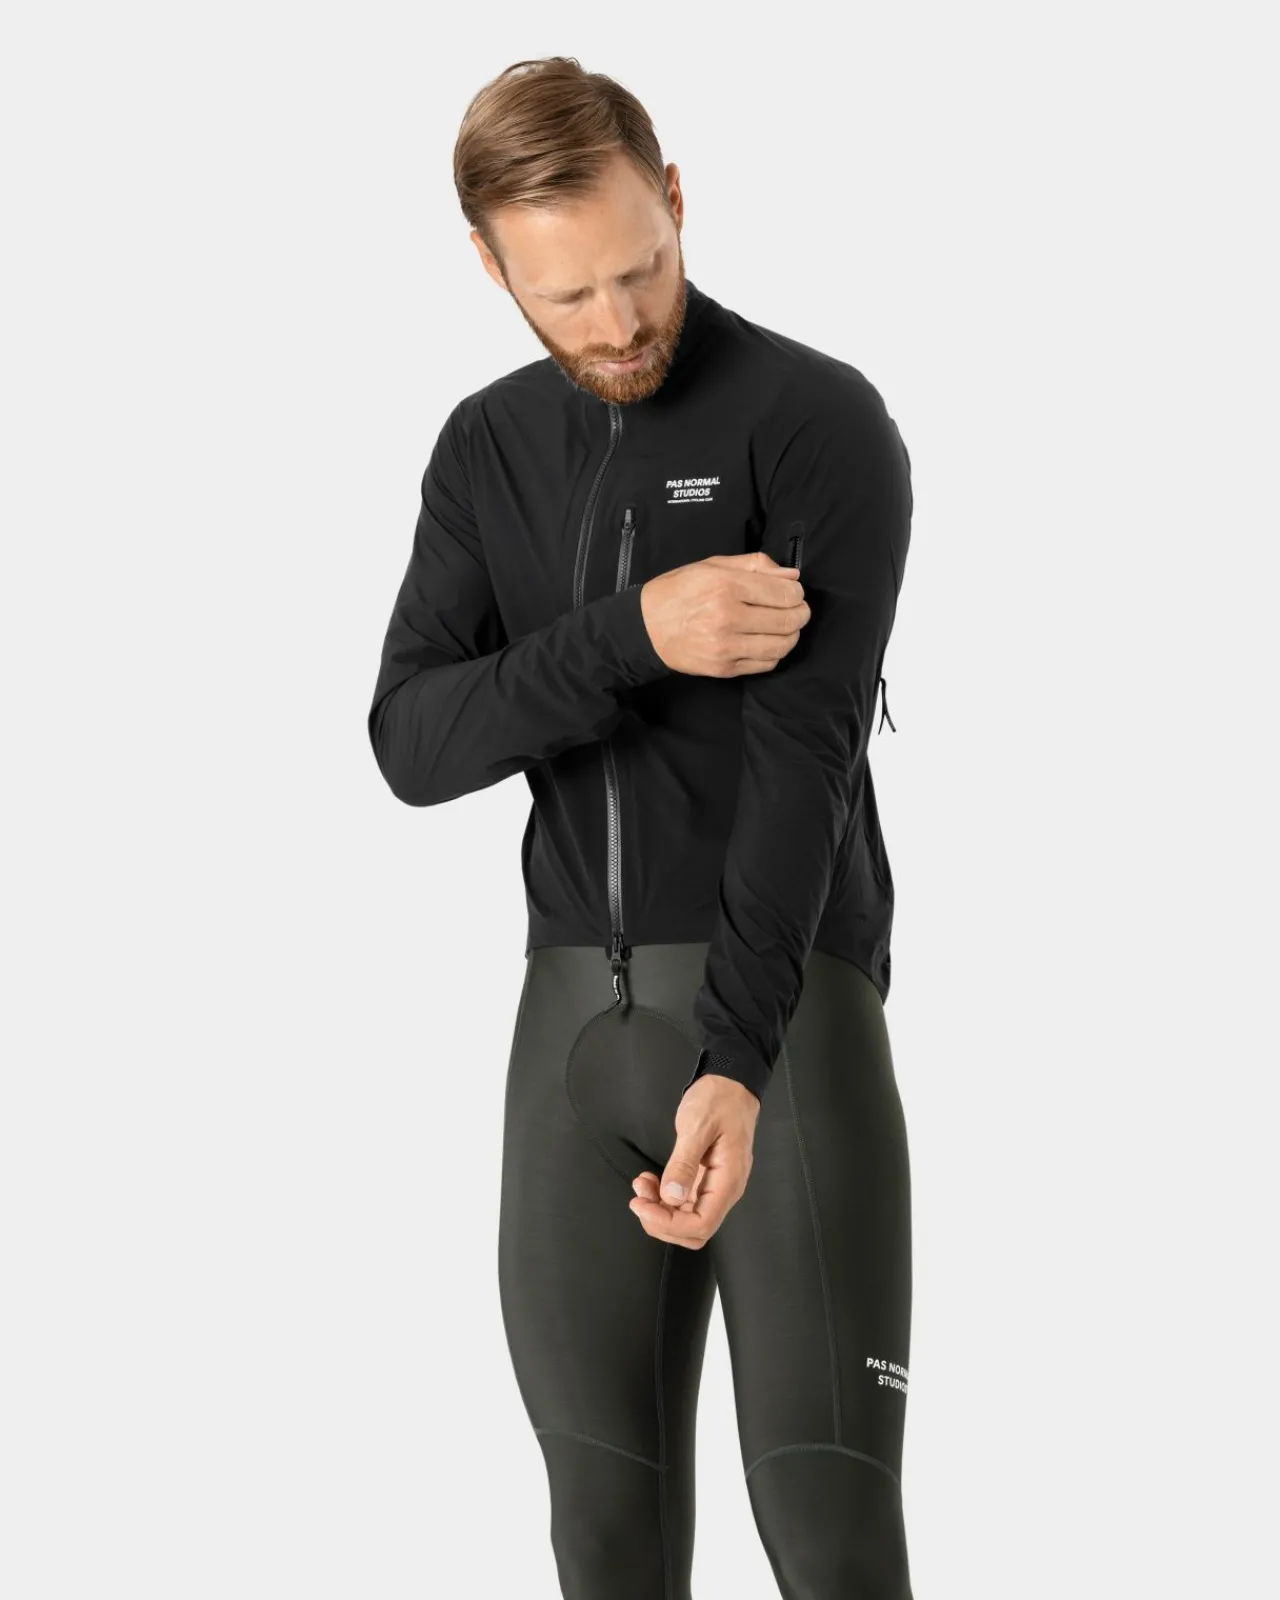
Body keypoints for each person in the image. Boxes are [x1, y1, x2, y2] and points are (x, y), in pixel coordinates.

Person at [367, 54, 916, 1600]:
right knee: (601, 1546)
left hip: (784, 1028)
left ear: (674, 200)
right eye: (566, 297)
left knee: (831, 1538)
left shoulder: (812, 421)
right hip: (567, 1036)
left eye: (641, 270)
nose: (615, 324)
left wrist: (736, 1056)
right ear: (493, 268)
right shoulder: (487, 449)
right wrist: (635, 634)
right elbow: (416, 739)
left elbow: (806, 766)